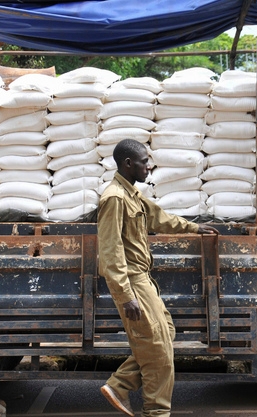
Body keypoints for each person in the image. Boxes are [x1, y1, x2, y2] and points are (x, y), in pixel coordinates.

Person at [97, 139, 219, 417]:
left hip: (142, 279)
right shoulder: (114, 198)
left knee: (166, 333)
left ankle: (121, 384)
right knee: (159, 351)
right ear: (128, 164)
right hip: (132, 281)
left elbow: (159, 218)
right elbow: (110, 250)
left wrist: (195, 228)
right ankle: (157, 412)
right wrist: (125, 294)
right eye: (144, 161)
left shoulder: (132, 196)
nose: (149, 166)